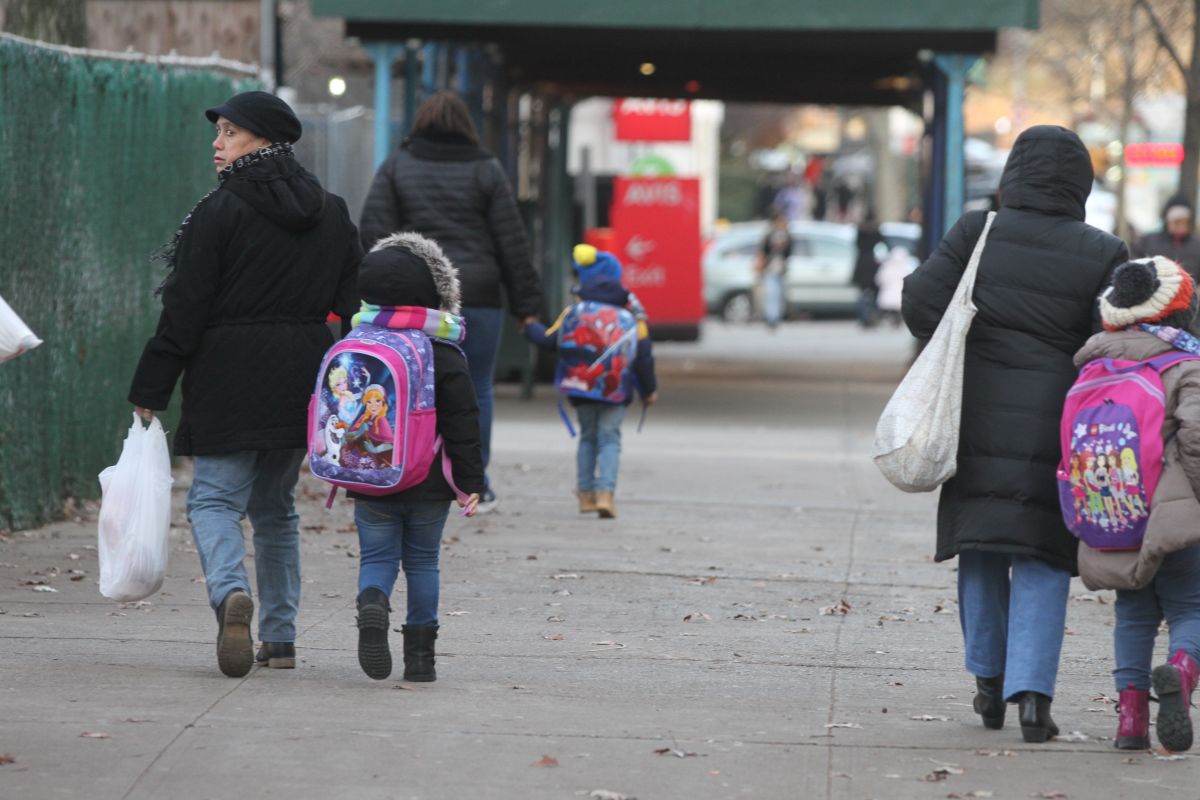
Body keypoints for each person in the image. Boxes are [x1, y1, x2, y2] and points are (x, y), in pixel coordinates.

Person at [902, 125, 1128, 743]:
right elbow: (1112, 341)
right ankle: (1033, 697)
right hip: (1059, 423)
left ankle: (987, 680)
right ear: (1080, 183)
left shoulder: (979, 231)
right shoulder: (1105, 250)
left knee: (982, 543)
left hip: (974, 415)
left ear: (1013, 174)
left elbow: (919, 307)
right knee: (1042, 553)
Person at [127, 91, 362, 677]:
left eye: (230, 132)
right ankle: (280, 638)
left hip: (227, 371)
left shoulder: (220, 210)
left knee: (213, 499)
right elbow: (352, 305)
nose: (217, 142)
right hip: (303, 373)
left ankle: (231, 593)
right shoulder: (332, 211)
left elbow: (185, 308)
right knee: (276, 508)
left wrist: (152, 387)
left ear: (264, 139)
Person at [359, 91, 541, 515]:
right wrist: (527, 305)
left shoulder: (398, 165)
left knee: (413, 386)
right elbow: (511, 242)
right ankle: (475, 484)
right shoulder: (486, 168)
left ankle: (411, 472)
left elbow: (374, 230)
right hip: (478, 294)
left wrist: (376, 292)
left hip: (415, 301)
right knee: (476, 388)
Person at [1072, 257, 1200, 752]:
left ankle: (1130, 722)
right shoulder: (1185, 363)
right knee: (1190, 605)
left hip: (1116, 505)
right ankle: (1182, 672)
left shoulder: (1095, 363)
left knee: (1133, 612)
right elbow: (1195, 436)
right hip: (1176, 508)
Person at [349, 232, 484, 682]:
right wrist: (470, 480)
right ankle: (421, 660)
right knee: (423, 562)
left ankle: (373, 601)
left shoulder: (359, 345)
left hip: (371, 476)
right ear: (434, 293)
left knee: (377, 558)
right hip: (429, 480)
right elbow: (463, 421)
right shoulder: (443, 351)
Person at [524, 245, 657, 519]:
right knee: (609, 439)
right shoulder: (632, 316)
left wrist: (529, 325)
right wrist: (649, 390)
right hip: (616, 391)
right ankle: (605, 494)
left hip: (581, 388)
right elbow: (643, 356)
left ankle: (585, 495)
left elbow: (548, 341)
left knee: (587, 437)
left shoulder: (575, 311)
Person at [1132, 196, 1200, 281]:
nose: (1181, 225)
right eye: (1177, 221)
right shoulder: (1147, 241)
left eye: (1184, 221)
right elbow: (1134, 264)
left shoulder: (1197, 245)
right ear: (1167, 221)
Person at [757, 212, 793, 330]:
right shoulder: (769, 235)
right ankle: (771, 317)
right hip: (770, 268)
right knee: (771, 293)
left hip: (781, 268)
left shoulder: (787, 235)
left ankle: (776, 316)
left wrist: (785, 244)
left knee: (779, 294)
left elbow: (789, 252)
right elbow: (763, 250)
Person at [853, 212, 884, 328]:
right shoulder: (876, 231)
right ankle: (873, 317)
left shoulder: (860, 231)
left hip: (862, 266)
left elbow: (857, 245)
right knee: (875, 294)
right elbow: (883, 246)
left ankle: (863, 318)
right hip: (874, 266)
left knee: (862, 294)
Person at [874, 245, 910, 328]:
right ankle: (896, 322)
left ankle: (878, 320)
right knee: (896, 311)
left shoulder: (886, 266)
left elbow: (879, 279)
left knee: (884, 310)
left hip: (887, 294)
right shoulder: (905, 268)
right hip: (899, 296)